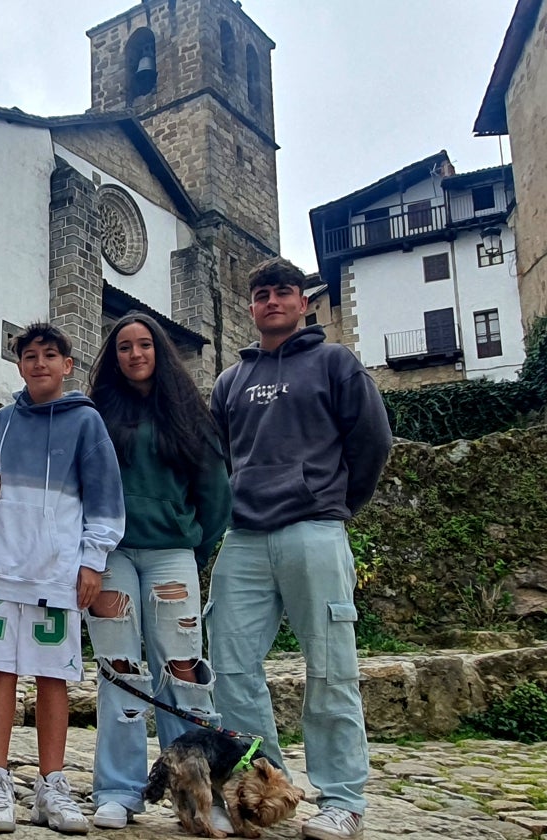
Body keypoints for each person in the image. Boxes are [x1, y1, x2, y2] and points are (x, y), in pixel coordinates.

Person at [206, 257, 392, 840]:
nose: (272, 302)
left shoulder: (335, 361)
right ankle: (268, 787)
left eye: (283, 292)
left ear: (303, 300)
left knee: (331, 666)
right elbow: (219, 460)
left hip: (314, 530)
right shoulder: (229, 381)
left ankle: (343, 800)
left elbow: (372, 443)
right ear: (251, 306)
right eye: (261, 294)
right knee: (230, 665)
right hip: (244, 537)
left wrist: (332, 505)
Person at [0, 323, 125, 836]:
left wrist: (93, 560)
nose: (39, 363)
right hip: (3, 568)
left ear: (67, 366)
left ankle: (52, 785)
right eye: (30, 356)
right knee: (1, 672)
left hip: (58, 571)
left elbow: (104, 497)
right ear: (19, 365)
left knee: (53, 677)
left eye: (49, 355)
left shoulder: (88, 423)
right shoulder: (2, 421)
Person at [84, 312, 232, 830]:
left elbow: (215, 493)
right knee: (119, 668)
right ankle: (119, 790)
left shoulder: (189, 412)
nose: (135, 354)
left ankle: (198, 793)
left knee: (185, 670)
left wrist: (195, 548)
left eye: (144, 344)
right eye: (124, 346)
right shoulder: (96, 411)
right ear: (114, 356)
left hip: (172, 553)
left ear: (159, 351)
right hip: (112, 555)